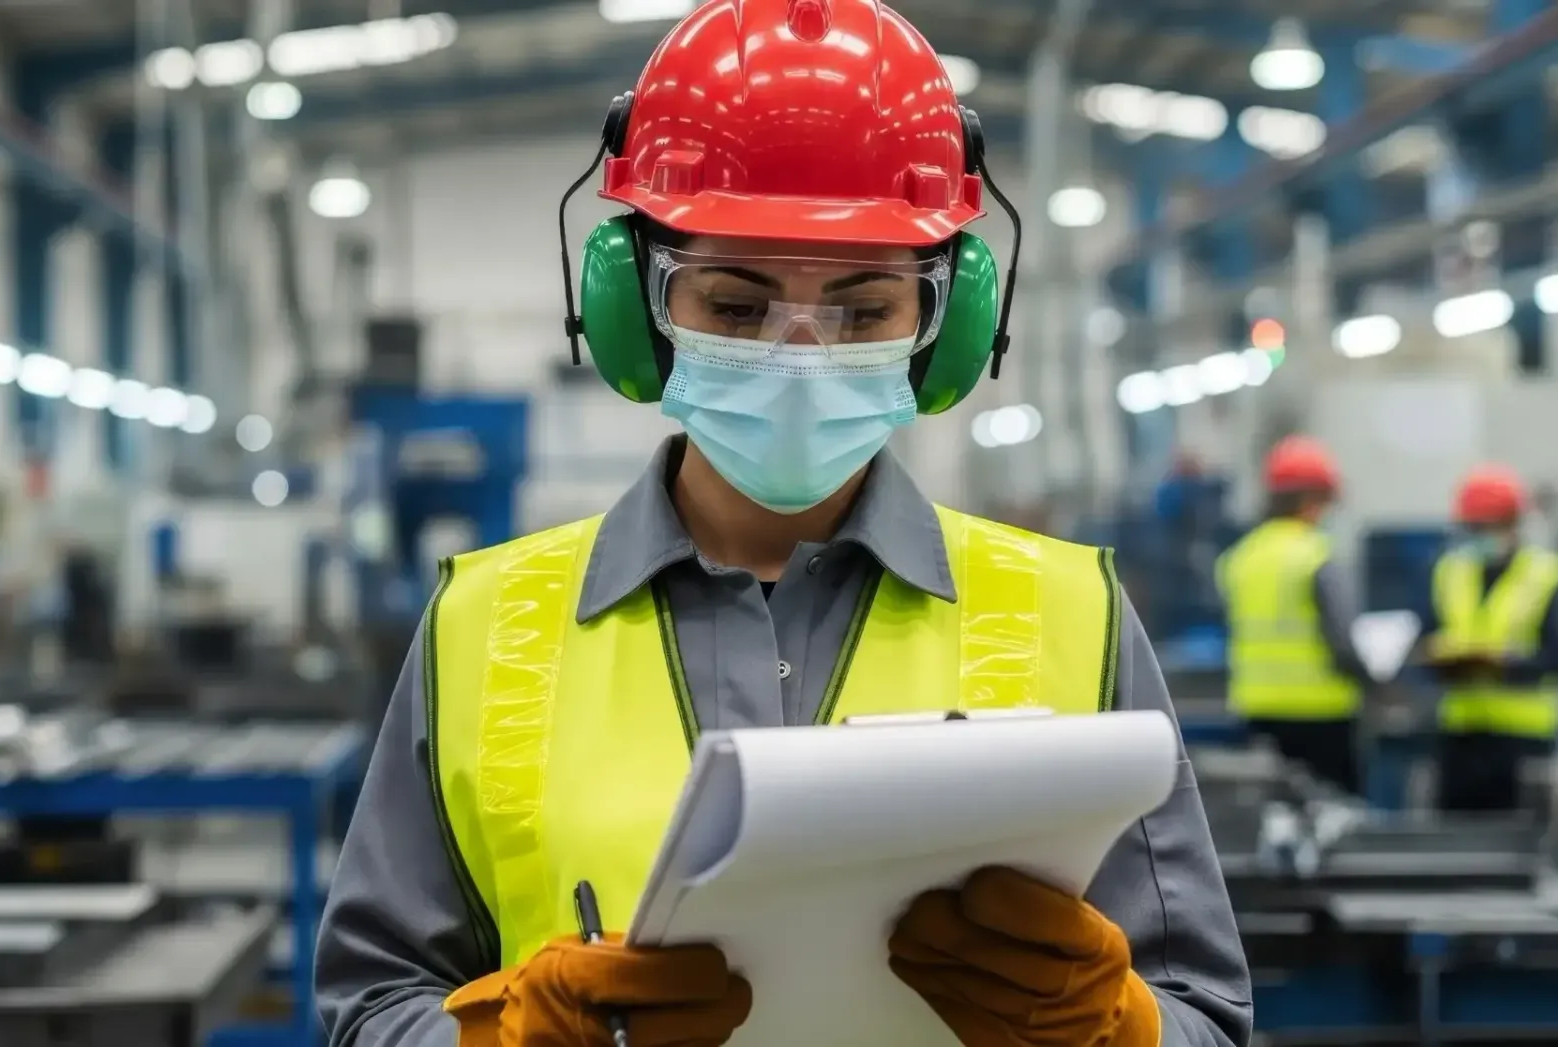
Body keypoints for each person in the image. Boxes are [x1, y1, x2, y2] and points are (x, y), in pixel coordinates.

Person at [316, 3, 1251, 1046]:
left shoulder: (1073, 614)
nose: (799, 353)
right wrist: (501, 1038)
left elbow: (1206, 1019)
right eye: (732, 303)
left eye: (863, 310)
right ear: (638, 309)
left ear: (946, 329)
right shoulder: (484, 623)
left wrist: (1119, 1028)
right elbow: (368, 1007)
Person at [1216, 435, 1375, 794]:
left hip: (1257, 709)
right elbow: (1343, 642)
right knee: (1334, 817)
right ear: (1310, 500)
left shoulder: (1241, 557)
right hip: (1323, 714)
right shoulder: (1316, 556)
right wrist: (1377, 685)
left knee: (1275, 816)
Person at [1419, 465, 1558, 813]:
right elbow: (1426, 639)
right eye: (1472, 527)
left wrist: (1503, 663)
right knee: (1458, 847)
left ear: (1513, 523)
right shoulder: (1450, 571)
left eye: (1486, 525)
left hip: (1523, 741)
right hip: (1462, 736)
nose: (1479, 535)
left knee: (1518, 847)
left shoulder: (1545, 574)